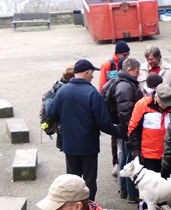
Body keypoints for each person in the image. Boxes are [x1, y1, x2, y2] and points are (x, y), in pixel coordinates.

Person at [45, 58, 119, 201]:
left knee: (72, 179)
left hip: (69, 145)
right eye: (92, 73)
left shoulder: (63, 91)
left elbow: (52, 113)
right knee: (89, 180)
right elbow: (103, 122)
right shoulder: (92, 93)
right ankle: (88, 207)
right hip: (88, 146)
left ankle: (73, 206)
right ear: (86, 73)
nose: (93, 76)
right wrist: (119, 132)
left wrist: (48, 100)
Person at [128, 83, 171, 210]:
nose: (165, 106)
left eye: (168, 103)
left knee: (164, 178)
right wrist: (136, 150)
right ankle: (143, 205)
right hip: (147, 151)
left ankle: (162, 202)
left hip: (166, 151)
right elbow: (133, 129)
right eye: (163, 102)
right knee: (145, 182)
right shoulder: (142, 105)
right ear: (156, 97)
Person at [100, 57, 143, 197]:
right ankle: (131, 193)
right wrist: (131, 133)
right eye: (137, 71)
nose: (138, 74)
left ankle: (124, 190)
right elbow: (125, 112)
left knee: (124, 158)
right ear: (129, 70)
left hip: (121, 129)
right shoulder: (126, 86)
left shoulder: (118, 81)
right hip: (126, 130)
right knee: (129, 161)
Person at [43, 65, 74, 151]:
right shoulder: (65, 91)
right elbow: (51, 111)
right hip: (67, 132)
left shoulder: (55, 88)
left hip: (61, 130)